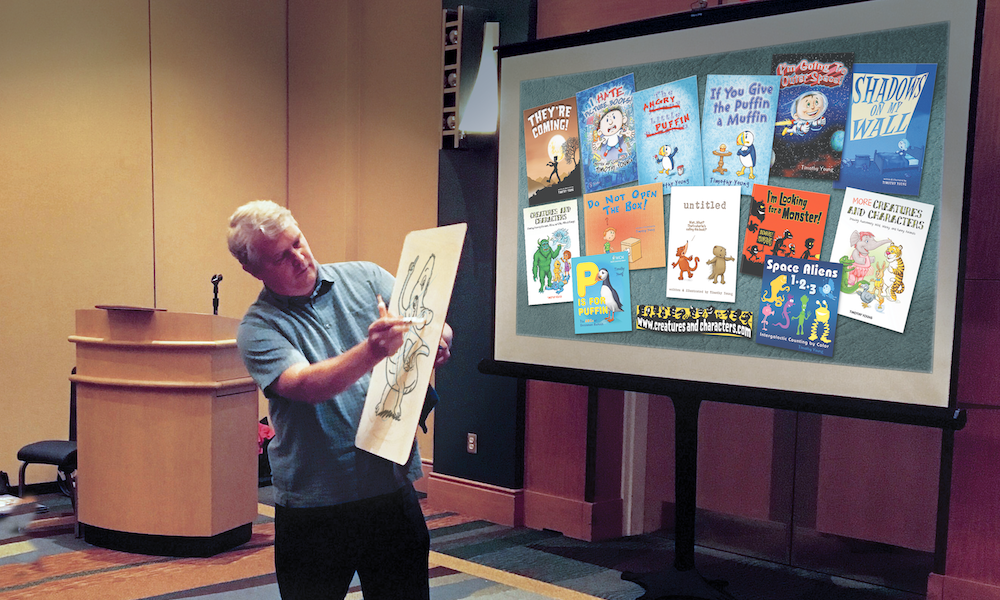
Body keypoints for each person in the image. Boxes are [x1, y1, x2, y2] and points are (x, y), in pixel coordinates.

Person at [227, 199, 453, 600]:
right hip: (315, 505)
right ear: (253, 270)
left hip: (389, 485)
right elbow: (306, 386)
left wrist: (439, 340)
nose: (299, 257)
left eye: (298, 241)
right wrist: (372, 351)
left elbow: (431, 321)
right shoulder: (257, 327)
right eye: (281, 256)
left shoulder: (365, 277)